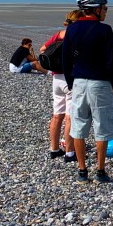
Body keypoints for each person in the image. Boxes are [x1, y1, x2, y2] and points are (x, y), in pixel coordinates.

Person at [63, 0, 113, 183]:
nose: (106, 12)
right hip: (100, 83)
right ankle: (100, 171)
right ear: (96, 9)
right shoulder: (104, 30)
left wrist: (71, 82)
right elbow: (112, 60)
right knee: (101, 127)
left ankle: (82, 171)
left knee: (79, 126)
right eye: (104, 9)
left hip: (79, 82)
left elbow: (66, 59)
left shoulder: (72, 29)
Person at [41, 11, 81, 161]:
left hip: (56, 78)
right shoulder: (76, 36)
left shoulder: (60, 34)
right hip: (70, 78)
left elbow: (43, 49)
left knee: (57, 115)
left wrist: (56, 60)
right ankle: (70, 153)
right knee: (70, 117)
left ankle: (54, 149)